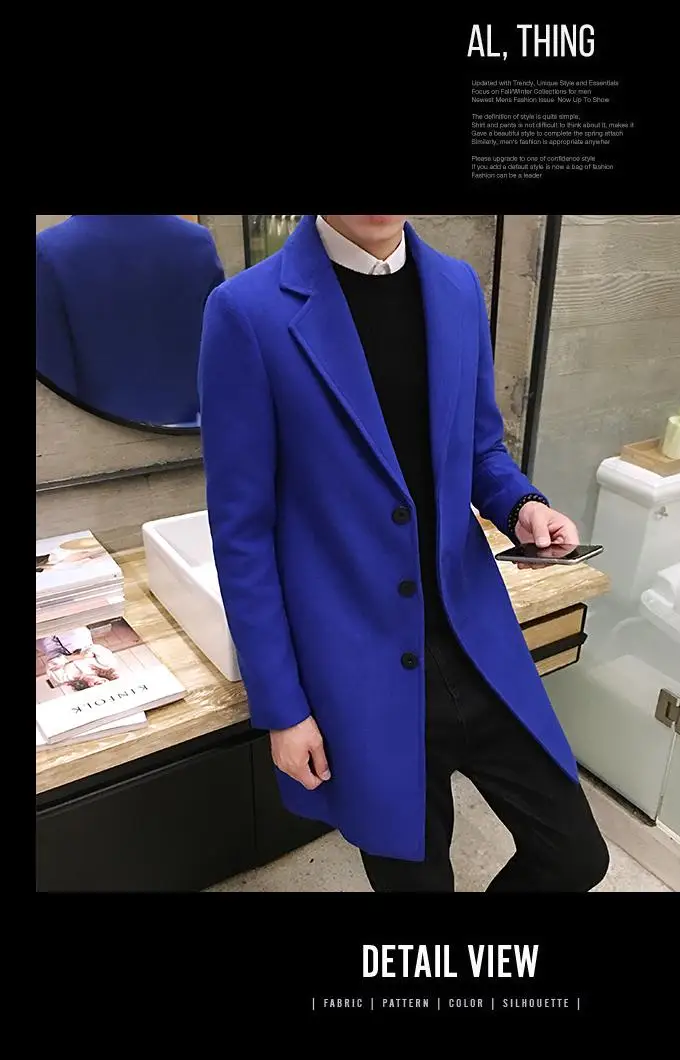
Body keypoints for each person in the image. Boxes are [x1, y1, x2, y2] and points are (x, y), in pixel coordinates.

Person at [198, 215, 610, 892]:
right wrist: (283, 709)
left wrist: (521, 505)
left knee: (575, 855)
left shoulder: (455, 286)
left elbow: (479, 447)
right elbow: (242, 533)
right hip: (356, 668)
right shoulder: (246, 311)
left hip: (474, 640)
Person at [36, 215, 225, 427]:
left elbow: (53, 383)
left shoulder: (49, 251)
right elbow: (219, 354)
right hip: (193, 433)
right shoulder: (198, 241)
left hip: (102, 437)